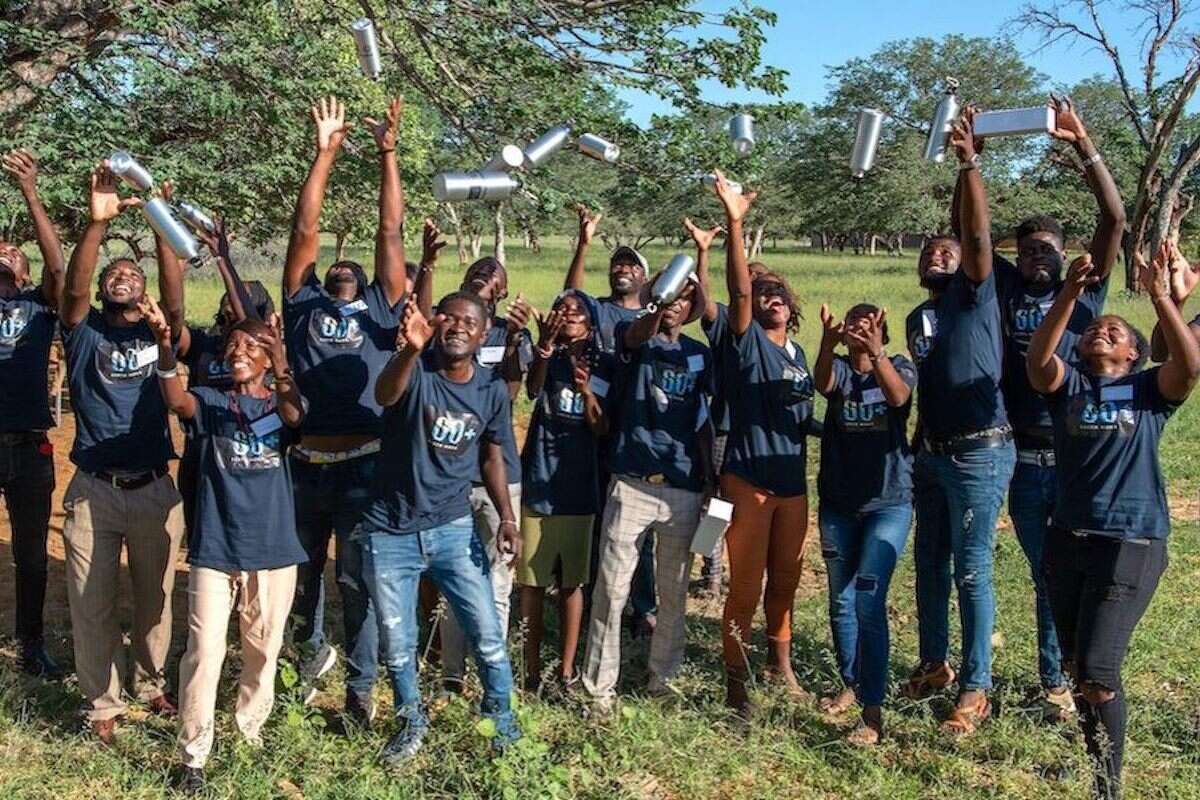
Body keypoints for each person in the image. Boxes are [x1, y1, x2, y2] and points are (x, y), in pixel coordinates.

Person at [965, 95, 1124, 720]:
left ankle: (1084, 674)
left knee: (1085, 574)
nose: (1037, 257)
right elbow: (974, 234)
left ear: (1065, 255)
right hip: (1023, 459)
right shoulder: (1002, 288)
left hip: (1083, 455)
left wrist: (1084, 147)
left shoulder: (1084, 285)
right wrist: (970, 161)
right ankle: (1053, 683)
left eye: (1047, 249)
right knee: (1046, 573)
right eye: (1027, 249)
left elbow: (1112, 218)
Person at [1026, 247, 1199, 800]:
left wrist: (1159, 295)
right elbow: (1037, 360)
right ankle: (1097, 762)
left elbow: (1190, 366)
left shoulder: (1149, 391)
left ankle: (1108, 788)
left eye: (1115, 331)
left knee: (1100, 671)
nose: (1102, 331)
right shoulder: (1069, 387)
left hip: (1131, 542)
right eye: (1094, 329)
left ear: (1134, 353)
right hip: (1067, 540)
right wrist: (1071, 294)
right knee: (1078, 667)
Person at [140, 296, 305, 794]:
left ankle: (250, 730)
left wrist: (280, 365)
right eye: (232, 344)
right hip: (215, 548)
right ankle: (194, 755)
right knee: (205, 650)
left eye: (249, 346)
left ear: (266, 355)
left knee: (262, 649)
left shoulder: (281, 401)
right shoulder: (211, 402)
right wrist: (165, 345)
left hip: (275, 551)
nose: (237, 351)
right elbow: (175, 400)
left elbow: (296, 418)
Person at [281, 96, 408, 723]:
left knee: (356, 587)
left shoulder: (384, 310)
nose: (343, 271)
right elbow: (304, 232)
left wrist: (387, 154)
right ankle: (297, 679)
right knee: (297, 581)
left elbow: (391, 233)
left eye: (352, 271)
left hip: (363, 467)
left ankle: (359, 697)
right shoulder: (303, 307)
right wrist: (325, 153)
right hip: (303, 466)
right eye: (335, 269)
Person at [360, 293, 522, 766]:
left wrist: (507, 517)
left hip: (453, 529)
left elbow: (493, 455)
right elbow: (385, 395)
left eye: (468, 321)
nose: (456, 327)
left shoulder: (491, 391)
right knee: (398, 642)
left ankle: (503, 724)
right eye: (448, 317)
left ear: (484, 333)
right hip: (390, 532)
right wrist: (410, 349)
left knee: (488, 634)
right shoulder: (417, 371)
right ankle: (411, 723)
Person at [58, 162, 184, 744]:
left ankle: (150, 681)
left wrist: (160, 225)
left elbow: (177, 305)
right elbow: (75, 289)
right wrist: (96, 226)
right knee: (92, 602)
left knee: (156, 597)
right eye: (116, 273)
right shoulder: (84, 332)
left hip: (155, 486)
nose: (122, 278)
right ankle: (103, 704)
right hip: (94, 490)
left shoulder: (158, 333)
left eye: (132, 273)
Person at [901, 108, 1016, 734]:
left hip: (979, 449)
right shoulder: (920, 317)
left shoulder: (977, 292)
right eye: (929, 249)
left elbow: (973, 237)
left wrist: (969, 163)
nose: (939, 252)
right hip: (932, 451)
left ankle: (976, 687)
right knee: (929, 562)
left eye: (948, 249)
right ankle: (934, 665)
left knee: (972, 566)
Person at [580, 263, 714, 716]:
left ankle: (664, 680)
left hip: (683, 487)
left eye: (682, 300)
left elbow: (706, 426)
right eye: (666, 297)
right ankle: (598, 689)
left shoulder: (700, 354)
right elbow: (635, 336)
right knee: (611, 592)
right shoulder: (631, 340)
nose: (674, 306)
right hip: (632, 483)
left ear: (691, 308)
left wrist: (710, 487)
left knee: (674, 593)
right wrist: (654, 306)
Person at [711, 173, 814, 717]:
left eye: (779, 293)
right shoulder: (746, 342)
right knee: (744, 589)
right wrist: (735, 221)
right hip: (748, 482)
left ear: (791, 306)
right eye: (764, 293)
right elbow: (738, 291)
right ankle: (737, 679)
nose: (771, 298)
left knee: (787, 583)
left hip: (793, 486)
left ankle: (781, 665)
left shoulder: (799, 356)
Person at [813, 303, 916, 744]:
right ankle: (852, 683)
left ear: (882, 332)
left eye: (868, 321)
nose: (858, 325)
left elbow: (898, 399)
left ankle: (873, 710)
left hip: (888, 503)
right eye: (852, 320)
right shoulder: (837, 369)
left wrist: (876, 355)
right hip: (838, 504)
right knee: (841, 600)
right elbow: (822, 383)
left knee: (869, 601)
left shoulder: (899, 366)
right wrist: (825, 341)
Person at [434, 252, 533, 696]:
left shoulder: (510, 334)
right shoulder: (449, 328)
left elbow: (508, 394)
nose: (486, 278)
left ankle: (492, 676)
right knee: (455, 581)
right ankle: (451, 674)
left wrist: (513, 342)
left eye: (495, 278)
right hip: (449, 474)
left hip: (499, 475)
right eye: (479, 272)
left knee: (495, 583)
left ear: (504, 293)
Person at [565, 206, 658, 638]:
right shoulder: (599, 310)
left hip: (639, 432)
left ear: (645, 278)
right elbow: (570, 297)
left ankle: (643, 606)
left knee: (643, 530)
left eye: (631, 265)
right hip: (594, 426)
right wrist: (584, 243)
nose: (622, 269)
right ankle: (588, 595)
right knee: (600, 516)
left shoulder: (651, 319)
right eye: (617, 263)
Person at [517, 289, 612, 695]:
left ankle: (567, 670)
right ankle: (531, 669)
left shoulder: (602, 363)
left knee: (572, 583)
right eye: (562, 310)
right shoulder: (549, 356)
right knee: (532, 583)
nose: (568, 316)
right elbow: (532, 391)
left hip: (578, 487)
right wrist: (544, 347)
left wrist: (588, 390)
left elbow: (601, 427)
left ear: (590, 324)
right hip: (539, 479)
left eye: (577, 313)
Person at [0, 148, 65, 678]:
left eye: (14, 253)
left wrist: (30, 191)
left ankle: (31, 641)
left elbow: (59, 266)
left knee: (32, 553)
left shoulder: (40, 307)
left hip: (28, 445)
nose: (7, 253)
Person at [686, 216, 731, 598]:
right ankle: (711, 572)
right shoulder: (727, 329)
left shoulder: (787, 346)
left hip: (761, 436)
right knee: (714, 503)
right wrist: (703, 253)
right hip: (725, 429)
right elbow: (706, 299)